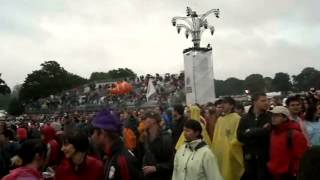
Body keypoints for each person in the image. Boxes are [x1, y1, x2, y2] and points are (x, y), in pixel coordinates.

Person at [91, 109, 143, 180]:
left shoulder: (123, 161)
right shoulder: (112, 155)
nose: (92, 136)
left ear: (103, 133)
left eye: (93, 132)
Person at [237, 92, 272, 180]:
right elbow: (240, 137)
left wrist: (251, 132)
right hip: (250, 160)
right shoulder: (245, 118)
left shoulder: (270, 116)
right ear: (254, 102)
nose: (266, 103)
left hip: (266, 158)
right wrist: (261, 131)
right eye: (263, 101)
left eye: (267, 100)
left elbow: (270, 133)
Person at [268, 106, 308, 180]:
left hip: (289, 174)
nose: (273, 118)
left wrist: (296, 172)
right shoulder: (273, 132)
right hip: (275, 173)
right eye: (272, 115)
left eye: (277, 115)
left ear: (285, 118)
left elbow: (301, 156)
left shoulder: (295, 134)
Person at [211, 97, 244, 180]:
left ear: (231, 105)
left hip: (231, 153)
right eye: (222, 103)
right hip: (220, 152)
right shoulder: (220, 120)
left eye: (225, 103)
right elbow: (216, 137)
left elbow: (238, 136)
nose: (222, 105)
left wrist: (230, 146)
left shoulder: (237, 118)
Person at [142, 111, 174, 180]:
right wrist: (144, 165)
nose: (142, 120)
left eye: (145, 118)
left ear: (153, 121)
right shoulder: (146, 136)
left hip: (163, 176)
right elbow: (146, 154)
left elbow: (172, 162)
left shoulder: (166, 138)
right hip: (149, 176)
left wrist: (156, 168)